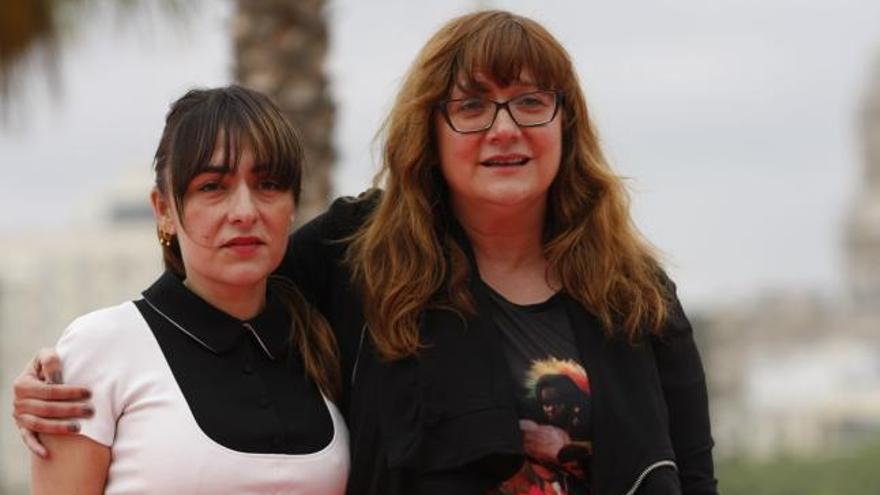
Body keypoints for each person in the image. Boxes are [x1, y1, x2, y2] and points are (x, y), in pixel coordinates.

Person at [14, 10, 717, 495]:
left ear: (565, 122)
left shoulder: (636, 294)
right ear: (431, 130)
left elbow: (691, 472)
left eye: (530, 101)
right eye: (472, 106)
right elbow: (213, 292)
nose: (504, 128)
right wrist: (76, 370)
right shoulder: (362, 255)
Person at [25, 85, 349, 494]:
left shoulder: (321, 343)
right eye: (212, 187)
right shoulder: (99, 348)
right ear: (164, 211)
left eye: (268, 184)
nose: (245, 212)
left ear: (292, 205)